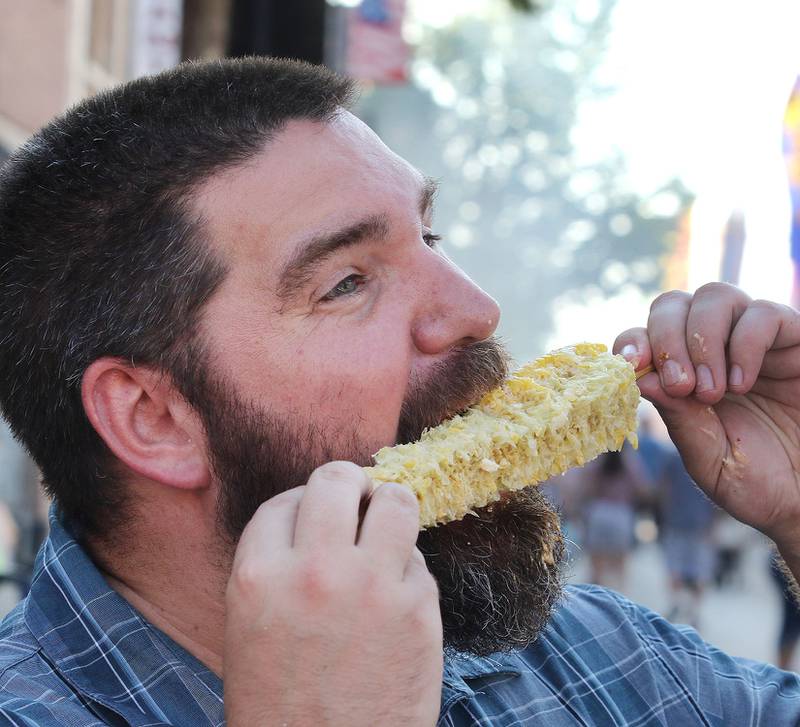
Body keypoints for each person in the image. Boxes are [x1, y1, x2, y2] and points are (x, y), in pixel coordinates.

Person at [0, 57, 798, 725]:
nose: (477, 310)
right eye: (347, 281)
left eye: (431, 236)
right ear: (154, 418)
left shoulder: (593, 656)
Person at [658, 447, 718, 627]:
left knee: (675, 566)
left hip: (676, 519)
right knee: (699, 569)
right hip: (701, 522)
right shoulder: (708, 457)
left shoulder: (672, 457)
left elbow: (663, 488)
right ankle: (694, 611)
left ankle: (677, 603)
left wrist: (663, 513)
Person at [580, 447, 652, 590]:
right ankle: (617, 594)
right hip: (621, 514)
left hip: (599, 512)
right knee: (620, 562)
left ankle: (597, 594)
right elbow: (642, 489)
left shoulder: (598, 460)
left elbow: (587, 487)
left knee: (597, 561)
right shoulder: (631, 462)